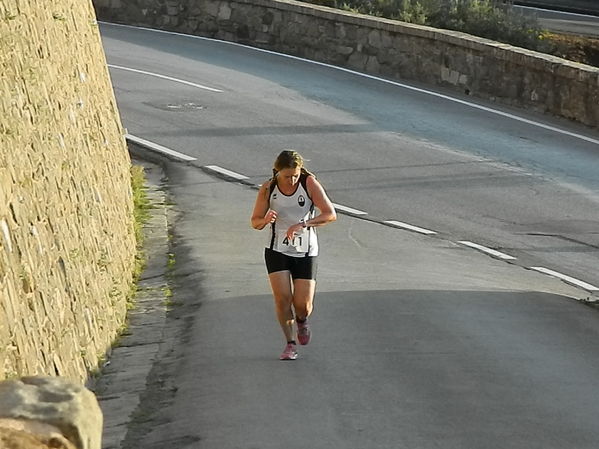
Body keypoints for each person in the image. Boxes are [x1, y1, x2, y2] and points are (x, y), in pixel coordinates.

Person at [251, 150, 336, 360]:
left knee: (303, 304)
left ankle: (301, 320)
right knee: (282, 299)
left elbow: (330, 214)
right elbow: (255, 221)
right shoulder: (268, 188)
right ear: (278, 172)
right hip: (276, 248)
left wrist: (305, 223)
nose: (292, 180)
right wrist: (266, 220)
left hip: (306, 249)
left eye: (295, 175)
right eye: (287, 176)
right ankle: (290, 344)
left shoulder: (309, 184)